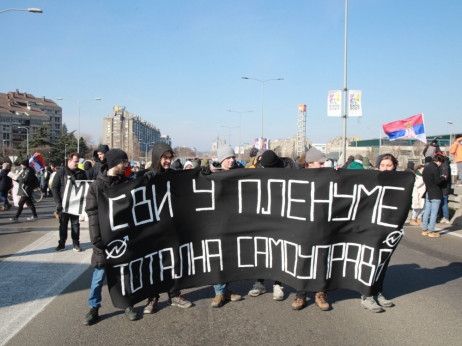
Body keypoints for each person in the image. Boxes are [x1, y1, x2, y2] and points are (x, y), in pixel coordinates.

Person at [83, 149, 139, 325]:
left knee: (125, 274)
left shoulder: (126, 182)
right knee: (99, 277)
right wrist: (97, 240)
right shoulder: (97, 186)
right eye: (124, 162)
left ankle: (127, 304)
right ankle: (94, 308)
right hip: (103, 240)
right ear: (115, 163)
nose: (127, 165)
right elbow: (92, 214)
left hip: (123, 238)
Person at [140, 142, 193, 313]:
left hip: (171, 228)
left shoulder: (174, 175)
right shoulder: (146, 176)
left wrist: (204, 175)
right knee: (154, 264)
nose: (168, 161)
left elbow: (190, 182)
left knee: (174, 262)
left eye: (170, 158)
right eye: (164, 157)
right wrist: (142, 183)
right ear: (157, 157)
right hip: (152, 229)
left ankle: (174, 294)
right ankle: (152, 298)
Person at [291, 146, 330, 311]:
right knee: (302, 260)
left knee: (322, 260)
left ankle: (320, 293)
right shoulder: (297, 179)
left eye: (323, 163)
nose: (322, 166)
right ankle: (300, 295)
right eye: (319, 164)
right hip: (303, 227)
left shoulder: (329, 178)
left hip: (323, 226)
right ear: (309, 164)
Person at [360, 154, 398, 313]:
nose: (386, 168)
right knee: (370, 259)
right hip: (371, 227)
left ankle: (378, 291)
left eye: (389, 165)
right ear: (377, 166)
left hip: (389, 228)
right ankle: (366, 295)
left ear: (394, 166)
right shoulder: (370, 180)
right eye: (383, 165)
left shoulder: (400, 183)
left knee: (383, 261)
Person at [247, 150, 285, 301]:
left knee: (276, 250)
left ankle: (277, 284)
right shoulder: (255, 173)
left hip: (278, 218)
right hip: (260, 218)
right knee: (260, 250)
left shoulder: (285, 173)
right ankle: (259, 282)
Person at [209, 145, 243, 308]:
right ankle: (219, 292)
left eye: (233, 157)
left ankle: (225, 290)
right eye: (228, 158)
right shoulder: (210, 175)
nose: (231, 160)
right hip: (216, 222)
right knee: (217, 256)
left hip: (234, 221)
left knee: (230, 257)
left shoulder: (240, 173)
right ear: (221, 159)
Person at [52, 152, 87, 252]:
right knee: (63, 224)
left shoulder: (81, 173)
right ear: (69, 161)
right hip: (63, 204)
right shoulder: (61, 172)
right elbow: (54, 188)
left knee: (75, 224)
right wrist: (58, 203)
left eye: (78, 162)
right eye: (75, 162)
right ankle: (61, 244)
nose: (77, 164)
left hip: (75, 204)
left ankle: (76, 244)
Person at [421, 154, 446, 238]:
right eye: (441, 163)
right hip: (435, 192)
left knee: (427, 211)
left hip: (428, 191)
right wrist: (443, 177)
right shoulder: (435, 168)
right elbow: (437, 181)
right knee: (434, 213)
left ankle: (424, 229)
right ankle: (431, 231)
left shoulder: (426, 167)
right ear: (439, 161)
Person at [440, 155, 451, 224]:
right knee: (443, 201)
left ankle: (445, 217)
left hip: (444, 187)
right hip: (445, 186)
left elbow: (445, 177)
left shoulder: (444, 165)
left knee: (444, 202)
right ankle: (444, 217)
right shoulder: (445, 164)